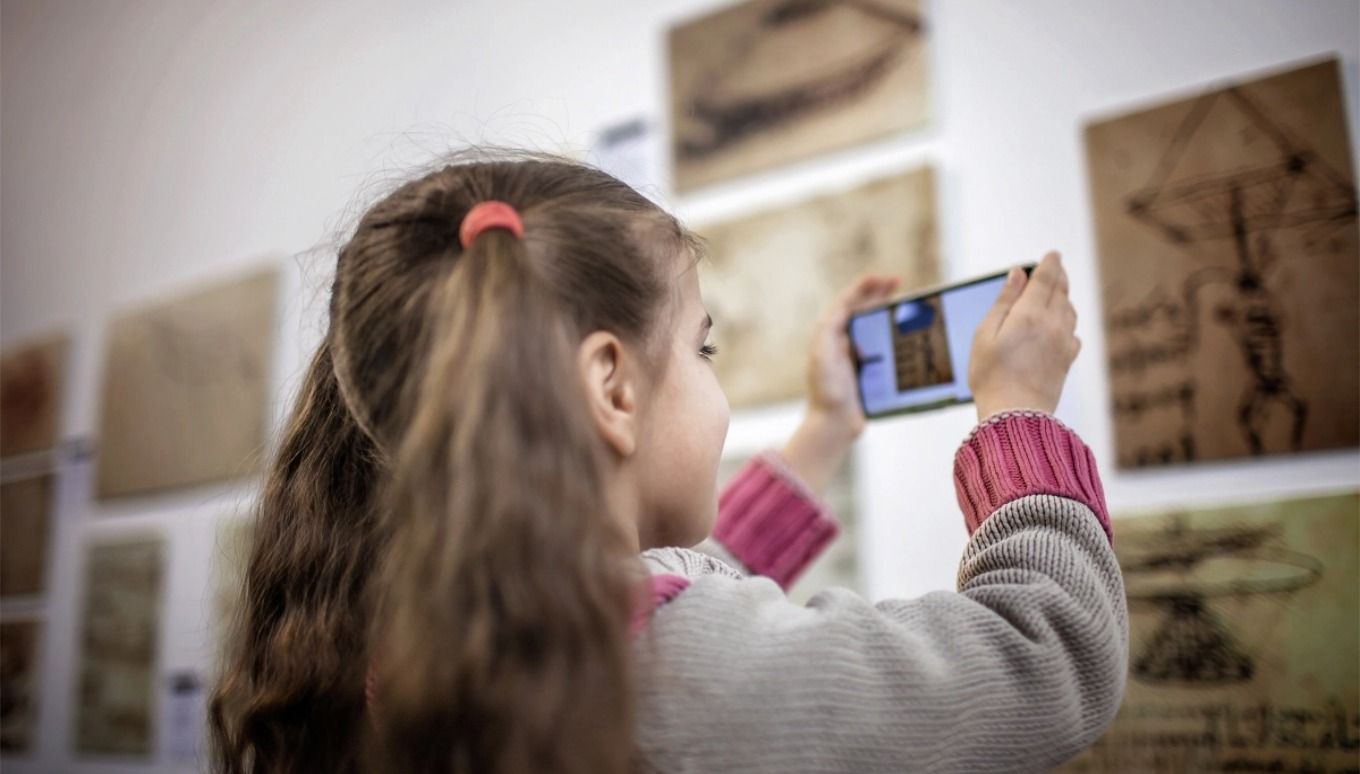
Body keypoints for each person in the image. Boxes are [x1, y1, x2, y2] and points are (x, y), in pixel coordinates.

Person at [209, 152, 1126, 774]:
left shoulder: (426, 641)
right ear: (611, 386)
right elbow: (1048, 657)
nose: (711, 375)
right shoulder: (665, 672)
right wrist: (1018, 412)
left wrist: (825, 429)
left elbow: (671, 581)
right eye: (703, 349)